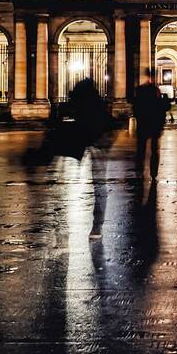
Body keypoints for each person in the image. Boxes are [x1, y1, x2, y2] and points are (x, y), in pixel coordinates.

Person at [65, 78, 114, 238]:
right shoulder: (96, 103)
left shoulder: (88, 105)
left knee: (99, 186)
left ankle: (97, 225)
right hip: (98, 145)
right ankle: (97, 226)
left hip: (99, 146)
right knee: (99, 185)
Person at [133, 68, 170, 183]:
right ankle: (153, 174)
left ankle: (139, 172)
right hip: (154, 125)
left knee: (141, 150)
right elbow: (163, 108)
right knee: (154, 150)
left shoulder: (140, 90)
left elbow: (136, 107)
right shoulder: (156, 91)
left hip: (143, 124)